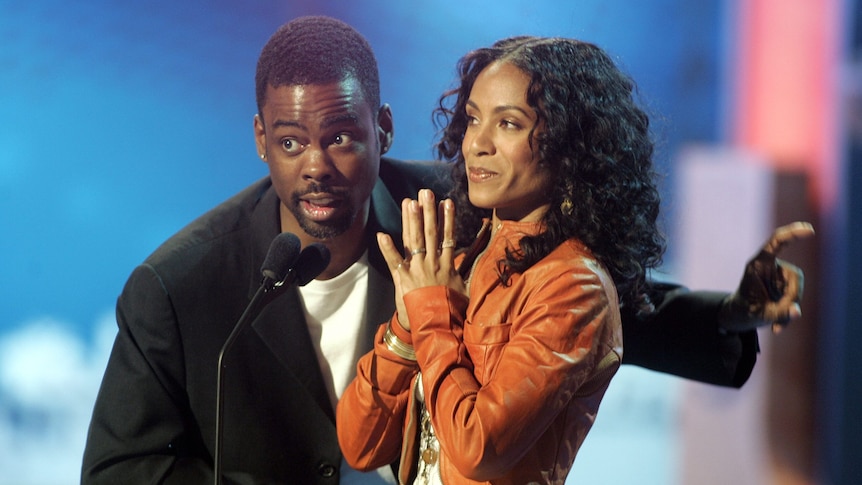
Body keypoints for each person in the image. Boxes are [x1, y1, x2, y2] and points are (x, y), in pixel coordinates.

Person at [81, 15, 813, 485]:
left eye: (341, 137)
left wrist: (732, 314)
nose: (316, 166)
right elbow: (117, 469)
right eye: (291, 142)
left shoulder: (453, 212)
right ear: (260, 140)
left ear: (384, 128)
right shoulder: (179, 285)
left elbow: (592, 298)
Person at [336, 35, 666, 484]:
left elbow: (478, 449)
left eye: (508, 124)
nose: (477, 144)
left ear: (570, 146)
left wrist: (432, 314)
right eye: (473, 119)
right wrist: (406, 326)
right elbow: (361, 445)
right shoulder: (464, 259)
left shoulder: (573, 285)